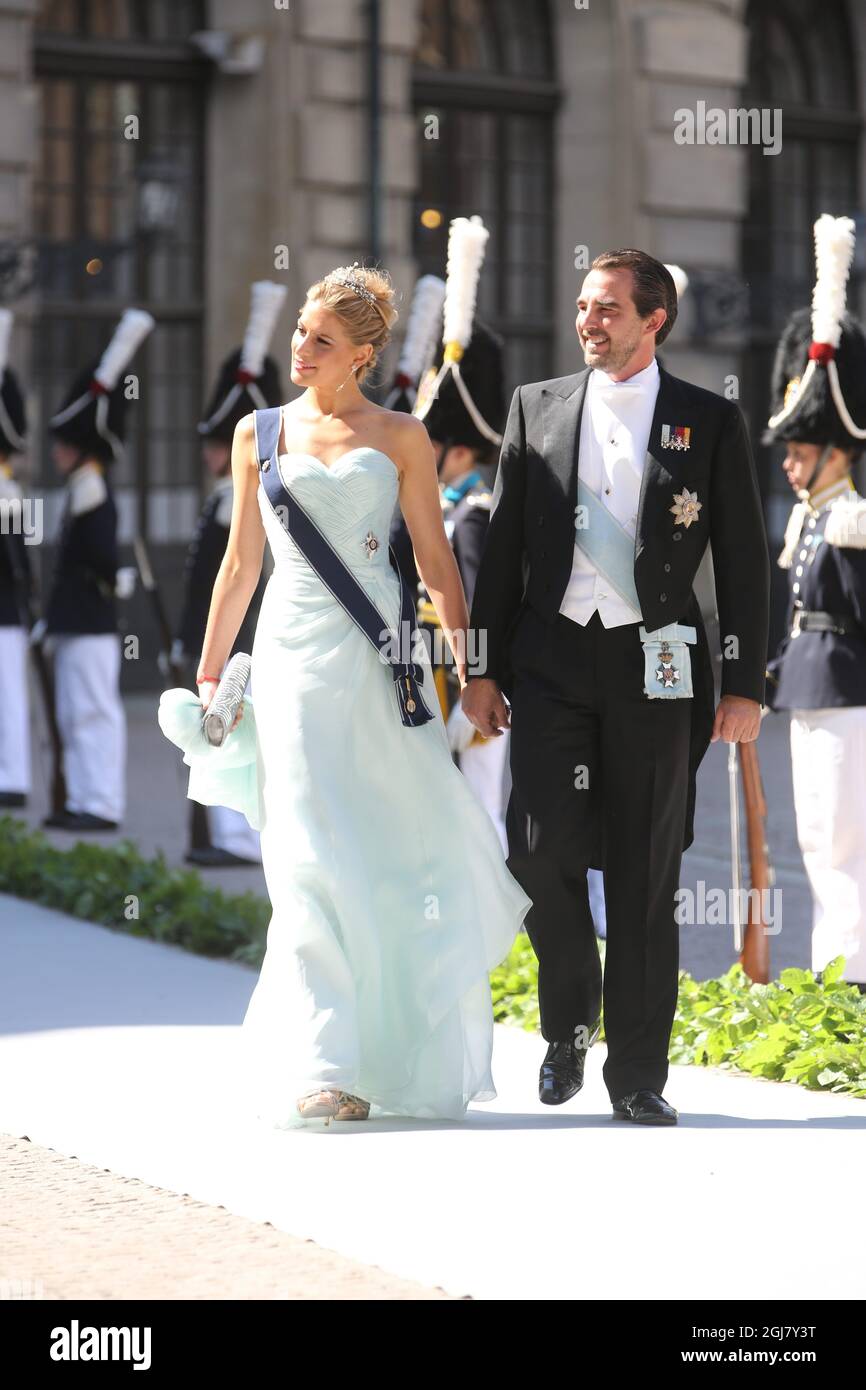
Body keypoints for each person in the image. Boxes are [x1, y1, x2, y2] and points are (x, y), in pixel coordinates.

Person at [179, 262, 531, 1126]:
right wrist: (211, 669)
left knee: (388, 854)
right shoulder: (257, 434)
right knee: (302, 854)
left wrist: (474, 671)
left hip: (382, 669)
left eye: (321, 340)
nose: (300, 349)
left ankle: (392, 1047)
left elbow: (439, 566)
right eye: (300, 331)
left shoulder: (402, 437)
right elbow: (239, 565)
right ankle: (324, 1060)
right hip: (292, 667)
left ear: (364, 354)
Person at [463, 248, 770, 1125]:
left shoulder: (707, 421)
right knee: (536, 849)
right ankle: (568, 1021)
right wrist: (481, 668)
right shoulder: (537, 407)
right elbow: (504, 551)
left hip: (660, 666)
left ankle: (637, 1075)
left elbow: (744, 563)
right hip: (554, 660)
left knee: (645, 871)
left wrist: (744, 683)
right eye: (584, 307)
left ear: (653, 321)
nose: (587, 322)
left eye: (606, 310)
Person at [764, 214, 866, 991]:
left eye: (802, 452)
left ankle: (849, 983)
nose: (793, 466)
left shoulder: (856, 516)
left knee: (843, 846)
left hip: (847, 691)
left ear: (835, 446)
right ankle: (833, 977)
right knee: (812, 842)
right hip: (806, 683)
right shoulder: (811, 517)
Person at [175, 280, 285, 867]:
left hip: (243, 629)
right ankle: (221, 838)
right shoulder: (222, 495)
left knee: (234, 730)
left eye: (217, 442)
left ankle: (234, 839)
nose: (210, 452)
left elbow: (236, 571)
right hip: (223, 629)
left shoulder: (230, 500)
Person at [43, 308, 154, 832]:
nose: (57, 451)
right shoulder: (82, 489)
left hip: (91, 621)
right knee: (73, 715)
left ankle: (101, 804)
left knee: (92, 714)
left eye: (66, 442)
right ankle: (85, 799)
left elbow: (101, 560)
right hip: (75, 619)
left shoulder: (93, 492)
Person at [0, 308, 32, 809]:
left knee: (9, 702)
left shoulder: (8, 493)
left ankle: (13, 778)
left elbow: (18, 566)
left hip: (5, 617)